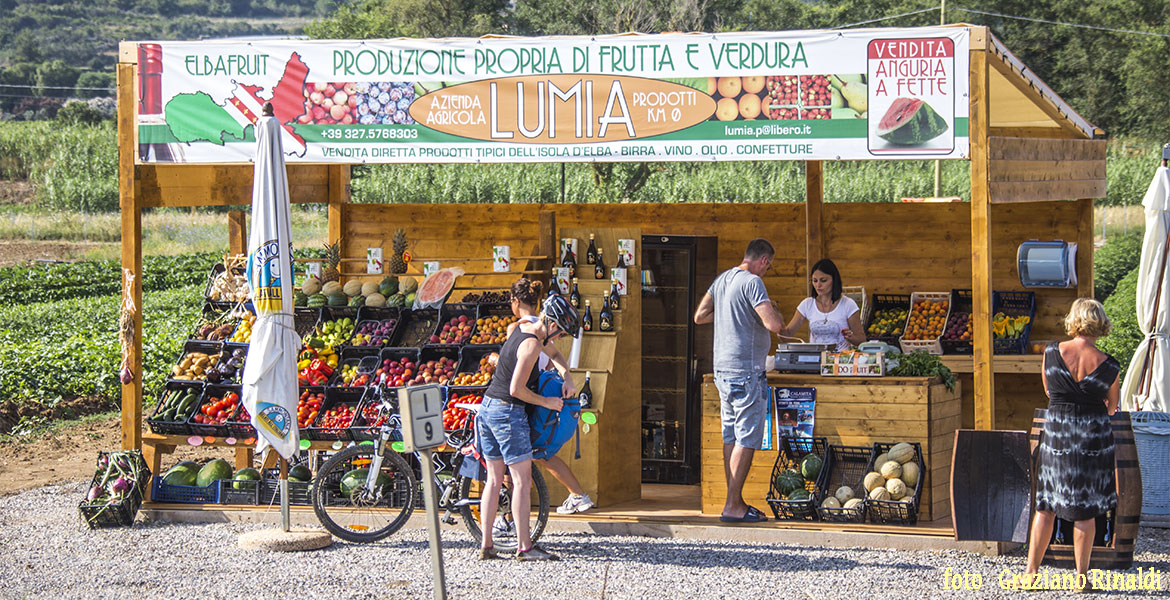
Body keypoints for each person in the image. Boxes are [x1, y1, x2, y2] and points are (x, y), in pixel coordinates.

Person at [1022, 298, 1120, 592]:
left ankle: (1031, 574)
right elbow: (1113, 407)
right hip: (1093, 440)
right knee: (1086, 510)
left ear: (1074, 320)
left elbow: (1050, 390)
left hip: (1057, 438)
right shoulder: (1110, 365)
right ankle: (1081, 578)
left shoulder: (1052, 352)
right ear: (1100, 323)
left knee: (1046, 506)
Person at [477, 294, 579, 561]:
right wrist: (547, 401)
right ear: (553, 324)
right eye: (562, 332)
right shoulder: (533, 345)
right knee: (521, 481)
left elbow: (555, 354)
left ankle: (487, 545)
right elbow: (516, 389)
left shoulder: (525, 328)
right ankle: (525, 548)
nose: (561, 338)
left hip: (488, 407)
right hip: (507, 411)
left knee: (494, 479)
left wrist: (567, 376)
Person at [693, 238, 786, 523]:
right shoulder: (753, 283)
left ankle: (732, 501)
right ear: (764, 261)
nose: (766, 271)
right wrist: (772, 309)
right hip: (746, 371)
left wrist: (733, 315)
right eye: (768, 266)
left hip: (722, 370)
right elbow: (775, 325)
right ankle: (733, 505)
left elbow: (700, 315)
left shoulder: (722, 280)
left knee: (730, 435)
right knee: (746, 438)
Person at [504, 278, 594, 516]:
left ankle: (508, 517)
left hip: (526, 398)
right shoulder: (541, 327)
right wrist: (567, 378)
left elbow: (513, 376)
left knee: (511, 462)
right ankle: (578, 495)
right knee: (542, 454)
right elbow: (556, 356)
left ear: (515, 301)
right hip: (540, 394)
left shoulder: (520, 329)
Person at [782, 258, 865, 350]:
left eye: (823, 280)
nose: (818, 285)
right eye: (815, 280)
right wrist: (777, 321)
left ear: (834, 280)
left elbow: (862, 340)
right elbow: (786, 336)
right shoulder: (807, 304)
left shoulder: (848, 304)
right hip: (814, 360)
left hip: (840, 361)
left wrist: (851, 337)